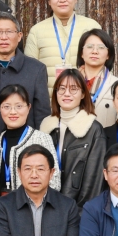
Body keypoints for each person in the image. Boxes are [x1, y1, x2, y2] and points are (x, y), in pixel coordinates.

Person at [0, 14, 50, 135]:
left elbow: (42, 114)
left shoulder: (36, 69)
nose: (4, 37)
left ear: (19, 36)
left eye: (9, 32)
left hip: (26, 143)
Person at [23, 0, 102, 89]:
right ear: (49, 1)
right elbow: (29, 72)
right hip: (48, 99)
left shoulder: (92, 27)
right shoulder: (37, 31)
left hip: (85, 97)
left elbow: (103, 67)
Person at [42, 70, 108, 204]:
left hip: (78, 208)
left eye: (73, 89)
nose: (67, 94)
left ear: (83, 94)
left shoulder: (93, 129)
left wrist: (81, 212)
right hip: (46, 204)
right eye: (62, 88)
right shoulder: (46, 126)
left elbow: (94, 180)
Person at [0, 85, 58, 195]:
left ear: (29, 107)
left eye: (19, 106)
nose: (13, 112)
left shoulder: (42, 139)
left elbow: (55, 182)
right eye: (6, 106)